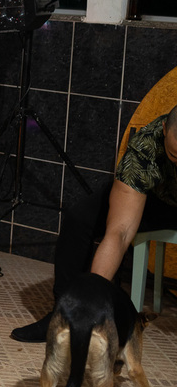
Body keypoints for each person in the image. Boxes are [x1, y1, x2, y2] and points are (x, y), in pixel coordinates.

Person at [11, 106, 177, 342]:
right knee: (80, 219)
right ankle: (66, 315)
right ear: (164, 129)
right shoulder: (145, 148)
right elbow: (120, 233)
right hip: (157, 199)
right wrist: (88, 305)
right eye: (175, 156)